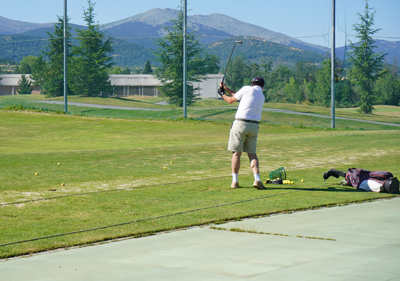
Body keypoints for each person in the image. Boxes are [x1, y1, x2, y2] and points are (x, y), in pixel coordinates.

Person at [219, 77, 266, 190]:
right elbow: (240, 96)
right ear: (262, 86)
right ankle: (257, 179)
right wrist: (227, 89)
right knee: (252, 154)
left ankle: (235, 181)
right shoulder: (261, 96)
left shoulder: (246, 89)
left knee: (236, 153)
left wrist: (222, 93)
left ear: (252, 84)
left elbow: (230, 100)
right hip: (254, 126)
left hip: (240, 124)